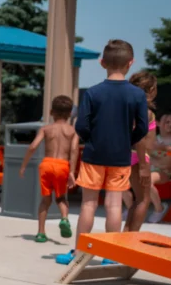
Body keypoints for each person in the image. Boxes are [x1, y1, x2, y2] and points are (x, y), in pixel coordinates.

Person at [56, 39, 148, 265]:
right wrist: (128, 141)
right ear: (130, 63)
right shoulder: (137, 95)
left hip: (94, 156)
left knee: (88, 204)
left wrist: (91, 140)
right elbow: (143, 127)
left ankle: (79, 254)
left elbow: (81, 126)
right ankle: (111, 254)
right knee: (114, 205)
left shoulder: (93, 93)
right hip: (120, 156)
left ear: (102, 63)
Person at [19, 95, 78, 242]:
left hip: (46, 165)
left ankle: (40, 233)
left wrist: (24, 165)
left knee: (45, 200)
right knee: (61, 198)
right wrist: (72, 171)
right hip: (62, 165)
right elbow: (75, 150)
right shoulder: (72, 131)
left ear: (51, 112)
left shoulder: (45, 129)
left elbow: (33, 146)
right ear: (70, 113)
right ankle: (64, 218)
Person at [121, 71, 160, 229]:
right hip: (139, 157)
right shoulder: (145, 110)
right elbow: (141, 138)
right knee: (144, 200)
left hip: (129, 155)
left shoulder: (128, 108)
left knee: (136, 200)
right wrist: (144, 166)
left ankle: (126, 236)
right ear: (150, 90)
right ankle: (130, 239)